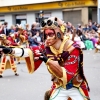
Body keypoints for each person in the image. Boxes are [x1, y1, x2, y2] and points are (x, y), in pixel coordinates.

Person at [0, 17, 90, 100]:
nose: (47, 38)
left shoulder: (73, 48)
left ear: (59, 32)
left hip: (75, 88)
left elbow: (67, 75)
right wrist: (11, 51)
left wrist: (47, 60)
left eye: (50, 34)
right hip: (59, 87)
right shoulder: (47, 46)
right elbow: (30, 52)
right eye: (45, 35)